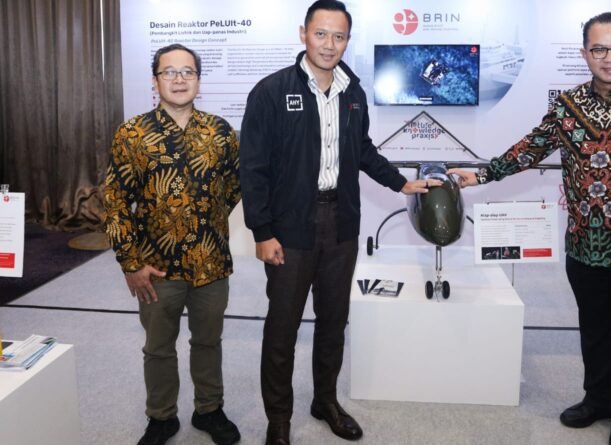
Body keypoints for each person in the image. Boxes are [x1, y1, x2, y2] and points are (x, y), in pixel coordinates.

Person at [450, 12, 611, 445]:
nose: (610, 58)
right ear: (585, 53)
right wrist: (483, 174)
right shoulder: (567, 104)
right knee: (596, 329)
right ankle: (598, 399)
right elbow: (533, 146)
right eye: (599, 49)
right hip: (586, 245)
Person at [238, 2, 436, 444]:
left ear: (348, 40)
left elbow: (361, 149)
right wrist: (262, 232)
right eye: (321, 34)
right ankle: (279, 418)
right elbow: (252, 169)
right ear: (303, 34)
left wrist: (400, 183)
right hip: (290, 227)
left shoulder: (353, 92)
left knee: (333, 321)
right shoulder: (271, 92)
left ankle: (324, 400)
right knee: (282, 327)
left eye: (339, 36)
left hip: (341, 222)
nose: (329, 45)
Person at [104, 44, 242, 445]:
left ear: (198, 80)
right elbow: (115, 200)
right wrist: (130, 262)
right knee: (158, 347)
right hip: (155, 267)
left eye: (187, 72)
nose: (179, 79)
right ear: (155, 80)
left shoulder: (220, 132)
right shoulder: (132, 134)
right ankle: (161, 417)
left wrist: (205, 225)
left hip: (211, 263)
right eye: (169, 72)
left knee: (208, 341)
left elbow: (232, 189)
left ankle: (209, 410)